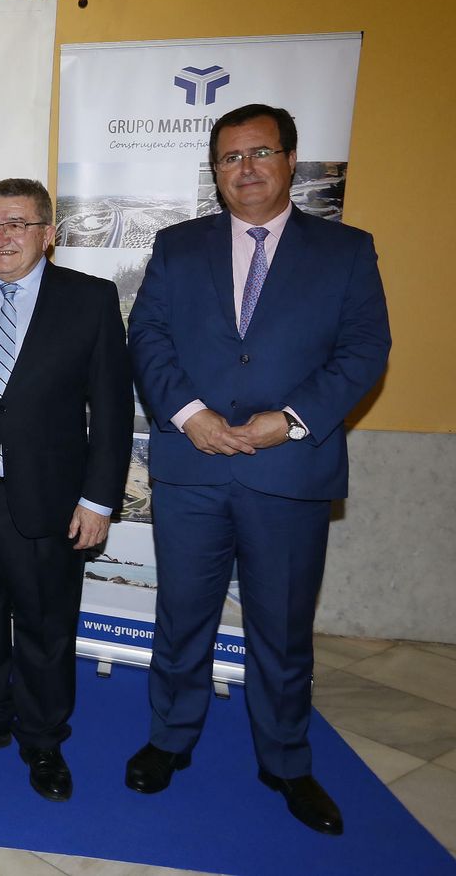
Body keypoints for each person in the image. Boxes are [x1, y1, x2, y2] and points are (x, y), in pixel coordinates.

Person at [126, 103, 390, 835]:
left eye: (259, 153)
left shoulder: (345, 251)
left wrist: (290, 421)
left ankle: (285, 761)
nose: (245, 168)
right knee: (182, 618)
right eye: (230, 158)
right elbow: (146, 335)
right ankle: (168, 739)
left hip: (290, 472)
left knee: (281, 629)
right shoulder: (177, 246)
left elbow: (365, 350)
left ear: (291, 161)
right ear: (214, 172)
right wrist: (191, 416)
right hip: (194, 468)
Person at [0, 177, 132, 802]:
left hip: (51, 500)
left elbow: (112, 412)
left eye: (15, 224)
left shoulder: (90, 300)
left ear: (47, 235)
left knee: (45, 627)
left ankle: (42, 738)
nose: (0, 236)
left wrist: (98, 499)